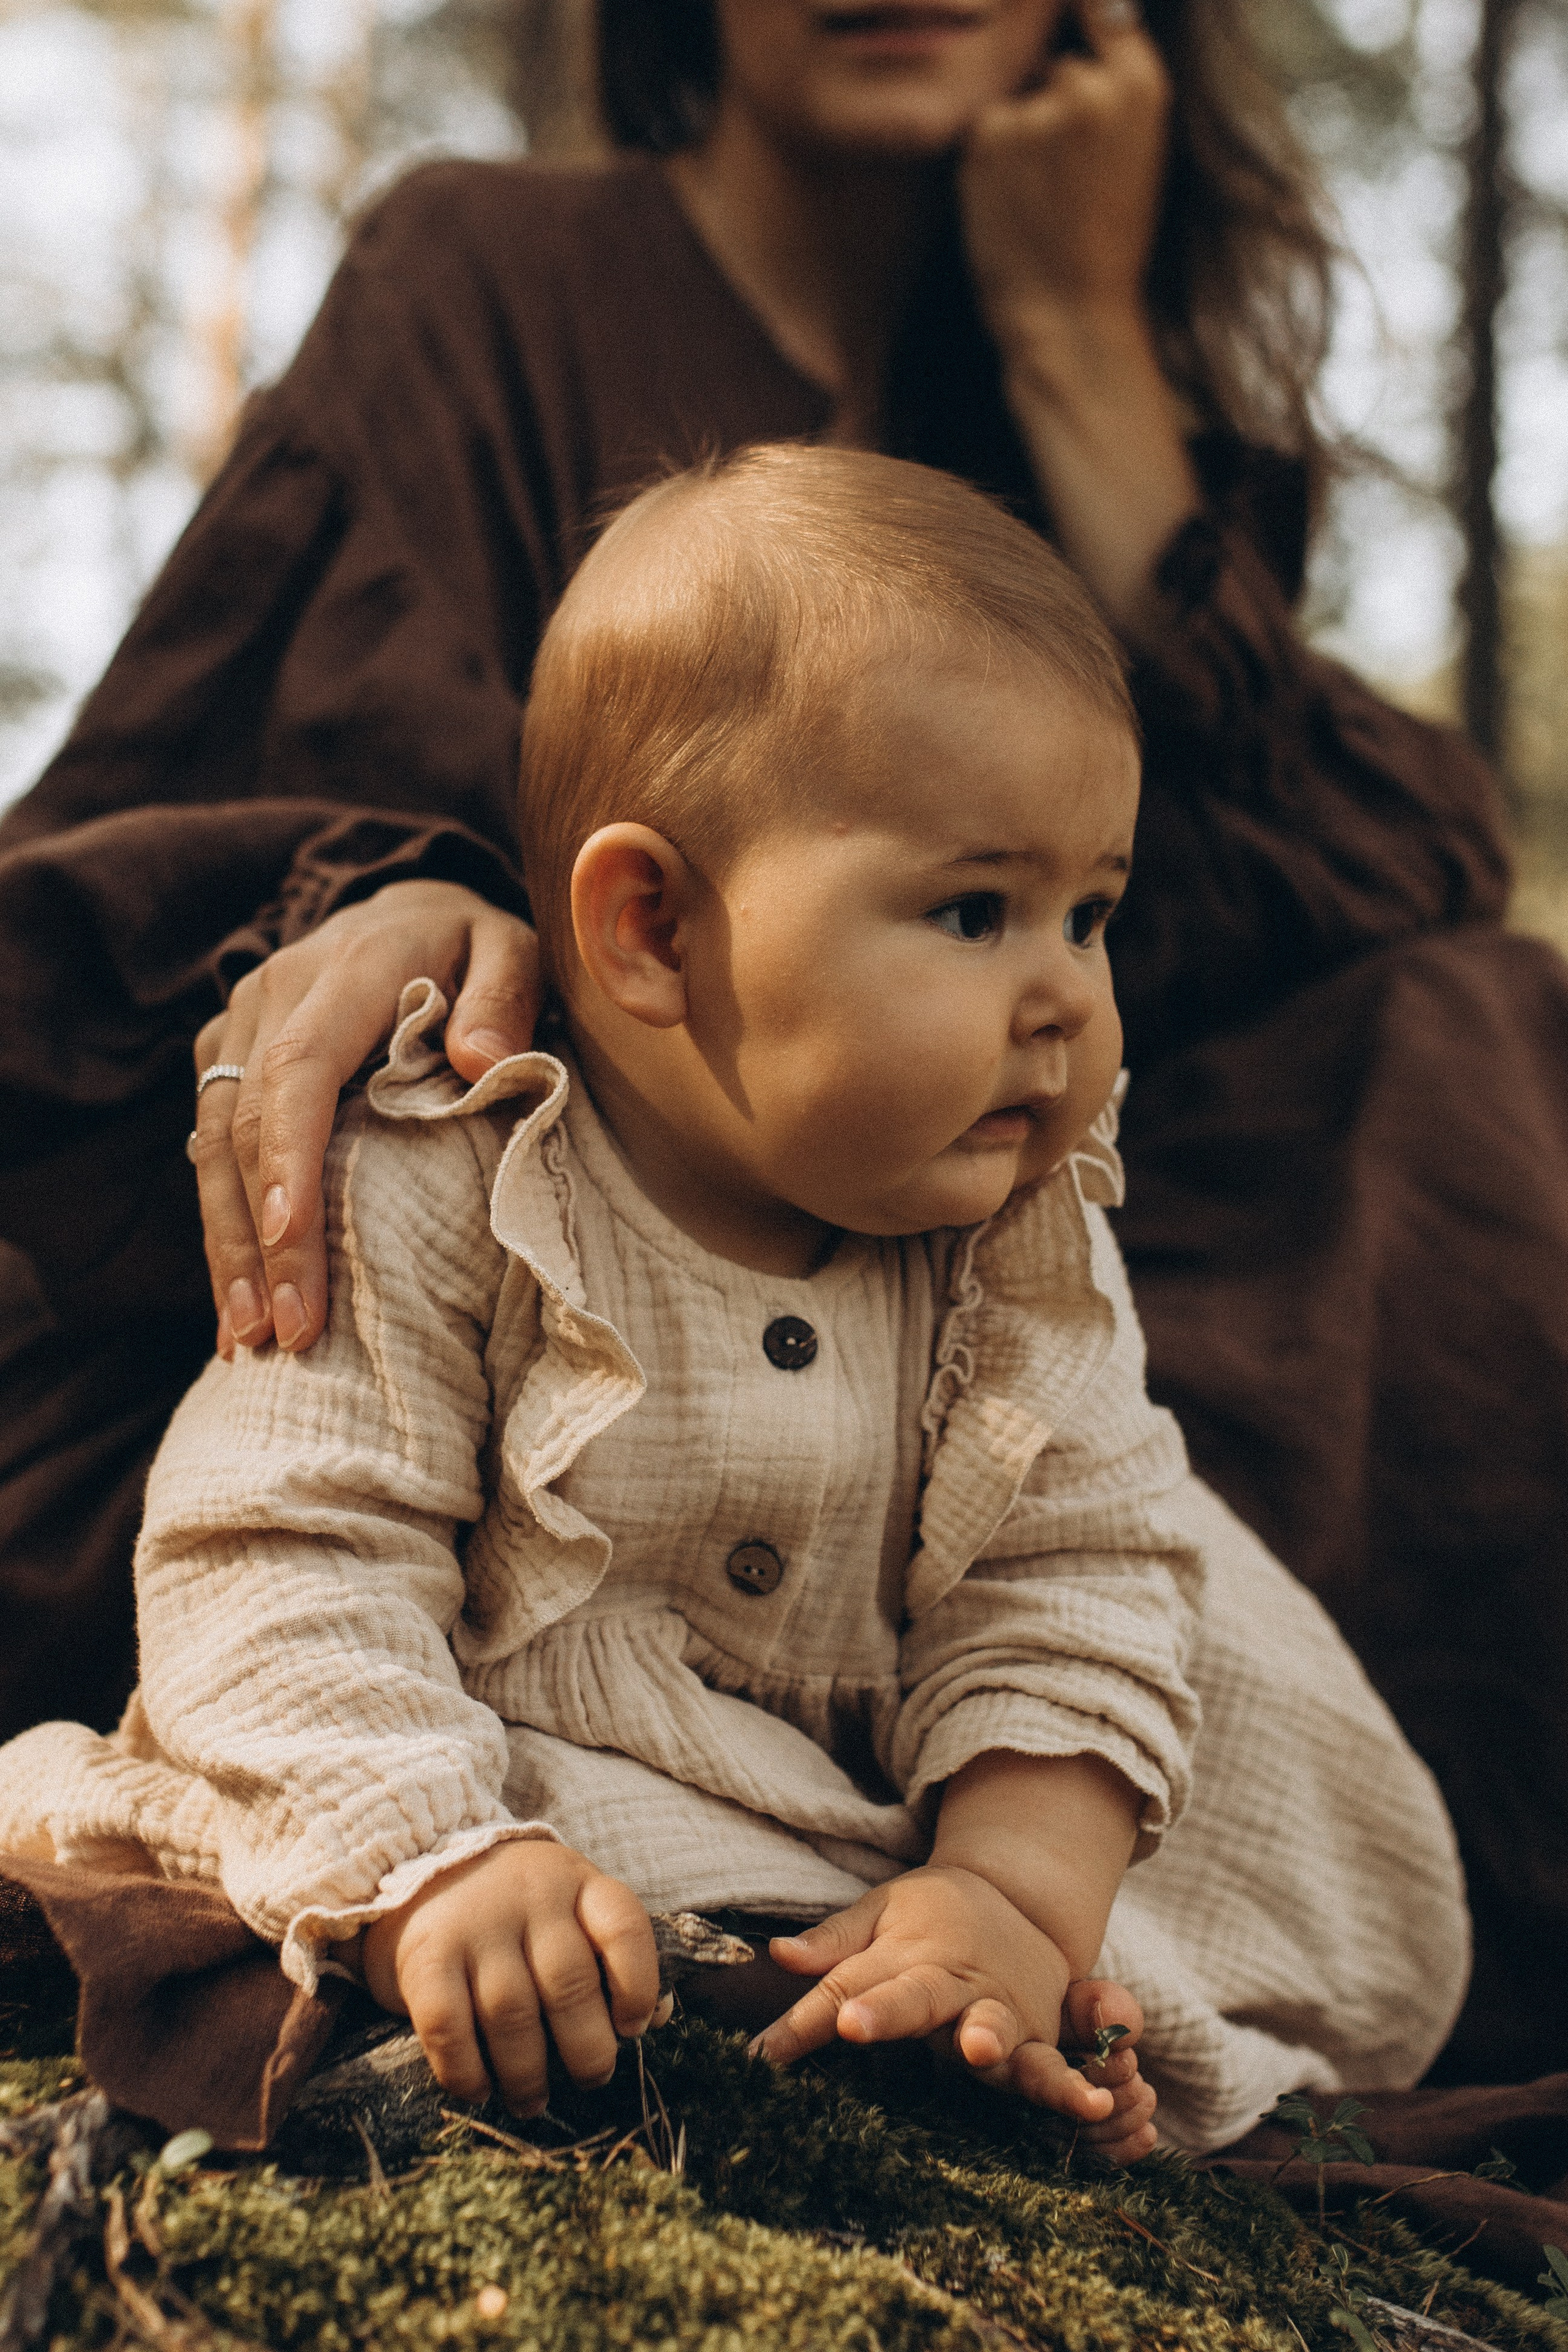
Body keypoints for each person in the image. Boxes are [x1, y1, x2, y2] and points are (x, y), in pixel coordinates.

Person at [0, 0, 1560, 2088]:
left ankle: (1019, 1895)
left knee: (1483, 1044)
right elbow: (135, 822)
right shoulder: (497, 273)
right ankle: (513, 1847)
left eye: (1075, 916)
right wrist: (410, 886)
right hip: (519, 1353)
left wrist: (1078, 341)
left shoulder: (1091, 376)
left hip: (968, 1319)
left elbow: (1387, 869)